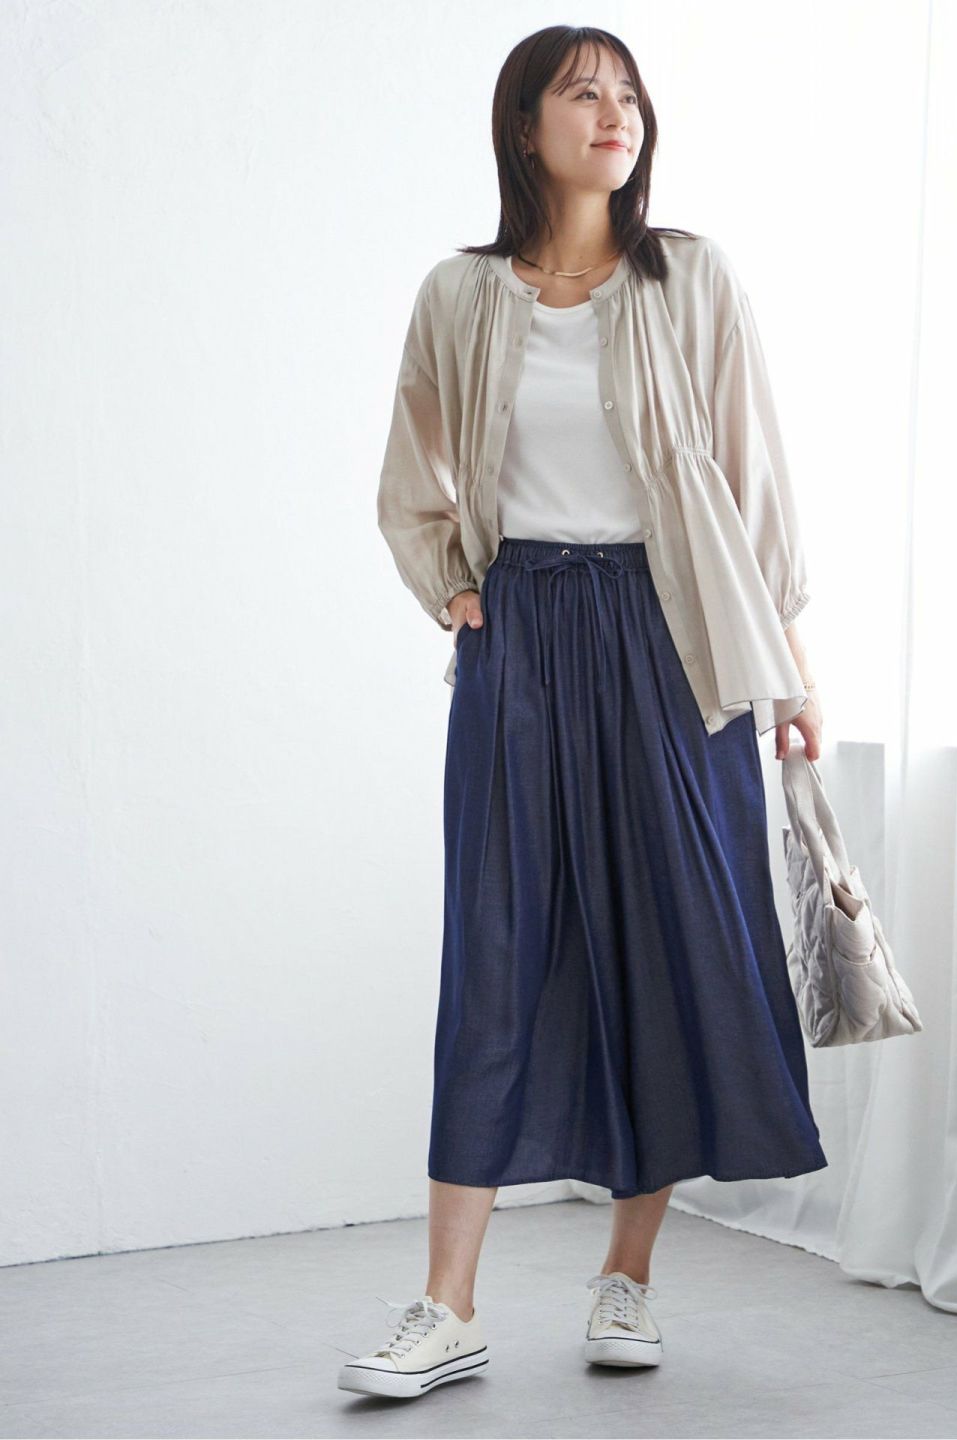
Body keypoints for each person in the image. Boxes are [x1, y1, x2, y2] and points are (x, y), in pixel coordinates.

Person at [338, 25, 828, 1402]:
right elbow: (411, 469)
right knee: (495, 952)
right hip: (524, 639)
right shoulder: (462, 293)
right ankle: (447, 1307)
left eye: (628, 95)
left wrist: (791, 671)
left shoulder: (690, 277)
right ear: (525, 126)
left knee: (668, 944)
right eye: (583, 93)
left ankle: (628, 1276)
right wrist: (452, 587)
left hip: (675, 639)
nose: (614, 114)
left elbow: (752, 483)